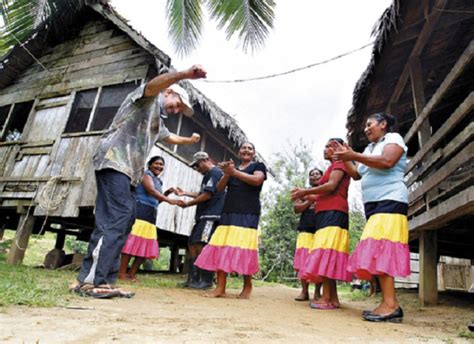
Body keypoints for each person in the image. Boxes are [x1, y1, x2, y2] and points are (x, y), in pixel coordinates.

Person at [72, 65, 207, 298]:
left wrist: (190, 140)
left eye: (180, 109)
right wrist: (184, 75)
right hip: (113, 160)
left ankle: (100, 279)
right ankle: (93, 280)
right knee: (117, 218)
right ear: (169, 92)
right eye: (177, 103)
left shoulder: (157, 121)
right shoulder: (147, 98)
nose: (177, 109)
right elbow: (154, 85)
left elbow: (170, 137)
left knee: (124, 221)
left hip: (128, 171)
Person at [332, 112, 410, 323]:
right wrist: (344, 157)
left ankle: (391, 305)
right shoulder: (369, 149)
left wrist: (353, 155)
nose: (366, 129)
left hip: (391, 199)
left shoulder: (393, 139)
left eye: (370, 124)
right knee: (377, 251)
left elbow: (387, 161)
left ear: (383, 124)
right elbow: (357, 174)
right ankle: (388, 303)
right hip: (374, 205)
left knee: (382, 250)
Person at [195, 142, 267, 299]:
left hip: (248, 212)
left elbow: (256, 181)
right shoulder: (231, 169)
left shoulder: (258, 166)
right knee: (221, 246)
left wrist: (233, 172)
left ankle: (247, 285)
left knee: (244, 247)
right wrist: (227, 173)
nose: (246, 150)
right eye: (243, 148)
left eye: (250, 148)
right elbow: (219, 189)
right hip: (228, 212)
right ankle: (220, 287)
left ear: (254, 152)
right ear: (239, 151)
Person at [291, 138, 351, 310]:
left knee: (326, 253)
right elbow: (326, 193)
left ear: (338, 148)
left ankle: (326, 298)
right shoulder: (332, 167)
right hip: (327, 213)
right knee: (328, 253)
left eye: (329, 146)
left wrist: (306, 191)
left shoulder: (339, 164)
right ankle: (333, 298)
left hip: (333, 213)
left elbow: (331, 187)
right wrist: (310, 197)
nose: (325, 149)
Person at [118, 156, 178, 281]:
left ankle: (132, 274)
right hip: (140, 211)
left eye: (161, 165)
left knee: (145, 247)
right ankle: (122, 273)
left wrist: (166, 194)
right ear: (149, 165)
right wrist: (169, 200)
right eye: (156, 163)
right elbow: (151, 191)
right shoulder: (146, 175)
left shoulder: (159, 181)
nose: (159, 166)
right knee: (131, 244)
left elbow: (156, 200)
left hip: (151, 215)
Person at [175, 151, 225, 289]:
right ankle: (193, 278)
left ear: (206, 160)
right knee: (192, 243)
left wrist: (187, 204)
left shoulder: (215, 173)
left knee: (202, 244)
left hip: (211, 216)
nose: (197, 169)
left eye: (198, 165)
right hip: (203, 215)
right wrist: (185, 193)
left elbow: (207, 195)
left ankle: (206, 279)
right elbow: (202, 193)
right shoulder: (207, 176)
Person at [293, 168, 323, 302]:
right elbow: (296, 209)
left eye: (317, 174)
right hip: (305, 229)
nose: (315, 176)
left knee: (319, 261)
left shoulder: (326, 191)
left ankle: (318, 292)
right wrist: (309, 201)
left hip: (321, 230)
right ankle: (304, 292)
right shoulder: (302, 193)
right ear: (309, 179)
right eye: (312, 174)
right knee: (303, 261)